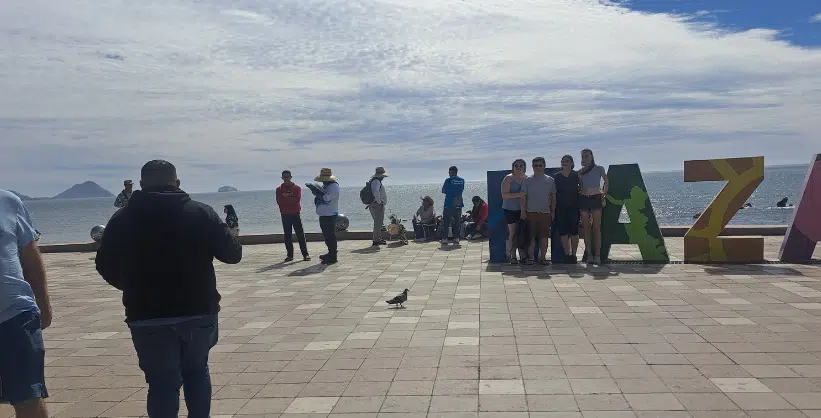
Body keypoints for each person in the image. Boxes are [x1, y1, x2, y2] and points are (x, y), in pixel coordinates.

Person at [95, 160, 242, 418]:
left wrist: (130, 286)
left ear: (140, 185)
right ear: (177, 182)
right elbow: (232, 255)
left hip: (146, 315)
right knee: (197, 372)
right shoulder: (201, 213)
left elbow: (104, 265)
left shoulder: (121, 219)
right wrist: (232, 233)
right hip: (198, 311)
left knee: (162, 383)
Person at [0, 190, 53, 418]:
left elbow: (29, 253)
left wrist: (43, 302)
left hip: (16, 315)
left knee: (29, 396)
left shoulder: (8, 201)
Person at [521, 157, 556, 265]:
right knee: (531, 237)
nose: (538, 168)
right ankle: (531, 258)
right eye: (535, 165)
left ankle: (543, 258)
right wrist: (523, 211)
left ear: (544, 166)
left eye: (540, 165)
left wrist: (553, 211)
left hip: (545, 213)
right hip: (530, 213)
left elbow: (553, 196)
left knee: (544, 237)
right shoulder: (527, 180)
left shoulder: (550, 180)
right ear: (532, 167)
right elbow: (523, 197)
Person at [579, 148, 609, 265]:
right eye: (583, 156)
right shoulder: (580, 172)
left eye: (587, 156)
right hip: (584, 199)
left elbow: (606, 181)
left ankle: (597, 255)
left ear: (592, 156)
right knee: (586, 229)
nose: (585, 158)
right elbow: (580, 187)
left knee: (596, 228)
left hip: (596, 198)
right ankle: (589, 255)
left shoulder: (599, 168)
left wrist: (604, 193)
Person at [276, 170, 310, 262]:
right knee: (287, 235)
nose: (286, 178)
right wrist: (289, 200)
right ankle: (290, 255)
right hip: (285, 214)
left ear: (291, 177)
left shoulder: (297, 188)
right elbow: (279, 201)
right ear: (282, 178)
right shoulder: (279, 189)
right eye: (284, 177)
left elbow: (296, 200)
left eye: (287, 176)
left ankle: (305, 254)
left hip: (295, 213)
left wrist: (286, 200)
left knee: (300, 235)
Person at [554, 155, 581, 263]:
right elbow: (554, 194)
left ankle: (574, 255)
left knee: (574, 232)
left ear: (571, 163)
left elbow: (581, 190)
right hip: (561, 208)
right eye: (563, 161)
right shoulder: (556, 177)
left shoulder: (577, 175)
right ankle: (567, 254)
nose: (565, 163)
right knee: (563, 232)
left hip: (574, 207)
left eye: (567, 161)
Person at [312, 168, 341, 264]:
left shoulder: (333, 187)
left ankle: (333, 256)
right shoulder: (326, 185)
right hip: (324, 214)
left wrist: (317, 193)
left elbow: (327, 198)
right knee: (326, 235)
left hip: (330, 214)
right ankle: (330, 253)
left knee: (330, 235)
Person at [501, 159, 527, 263]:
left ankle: (522, 254)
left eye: (521, 165)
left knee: (523, 233)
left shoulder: (527, 178)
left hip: (523, 210)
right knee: (513, 232)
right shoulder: (508, 178)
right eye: (516, 165)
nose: (518, 167)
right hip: (510, 209)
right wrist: (518, 195)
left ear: (524, 167)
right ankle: (512, 256)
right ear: (513, 167)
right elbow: (504, 195)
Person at [440, 166, 465, 244]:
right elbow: (461, 189)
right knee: (457, 221)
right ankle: (456, 238)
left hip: (449, 202)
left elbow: (443, 190)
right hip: (458, 202)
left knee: (446, 222)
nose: (449, 174)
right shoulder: (462, 180)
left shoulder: (448, 180)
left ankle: (445, 238)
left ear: (451, 172)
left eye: (449, 172)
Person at [368, 167, 389, 246]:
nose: (383, 177)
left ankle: (378, 238)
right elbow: (376, 192)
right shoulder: (376, 181)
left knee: (378, 223)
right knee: (378, 223)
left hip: (374, 204)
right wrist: (379, 202)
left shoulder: (373, 181)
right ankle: (376, 240)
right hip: (377, 204)